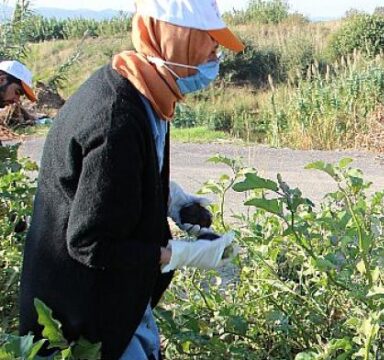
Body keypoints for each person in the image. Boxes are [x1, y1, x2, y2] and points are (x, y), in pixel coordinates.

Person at [18, 0, 244, 359]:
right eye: (208, 38)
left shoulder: (147, 90)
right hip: (81, 326)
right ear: (175, 37)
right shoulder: (116, 118)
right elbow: (91, 242)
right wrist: (179, 254)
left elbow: (110, 181)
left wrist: (171, 199)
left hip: (115, 305)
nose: (216, 51)